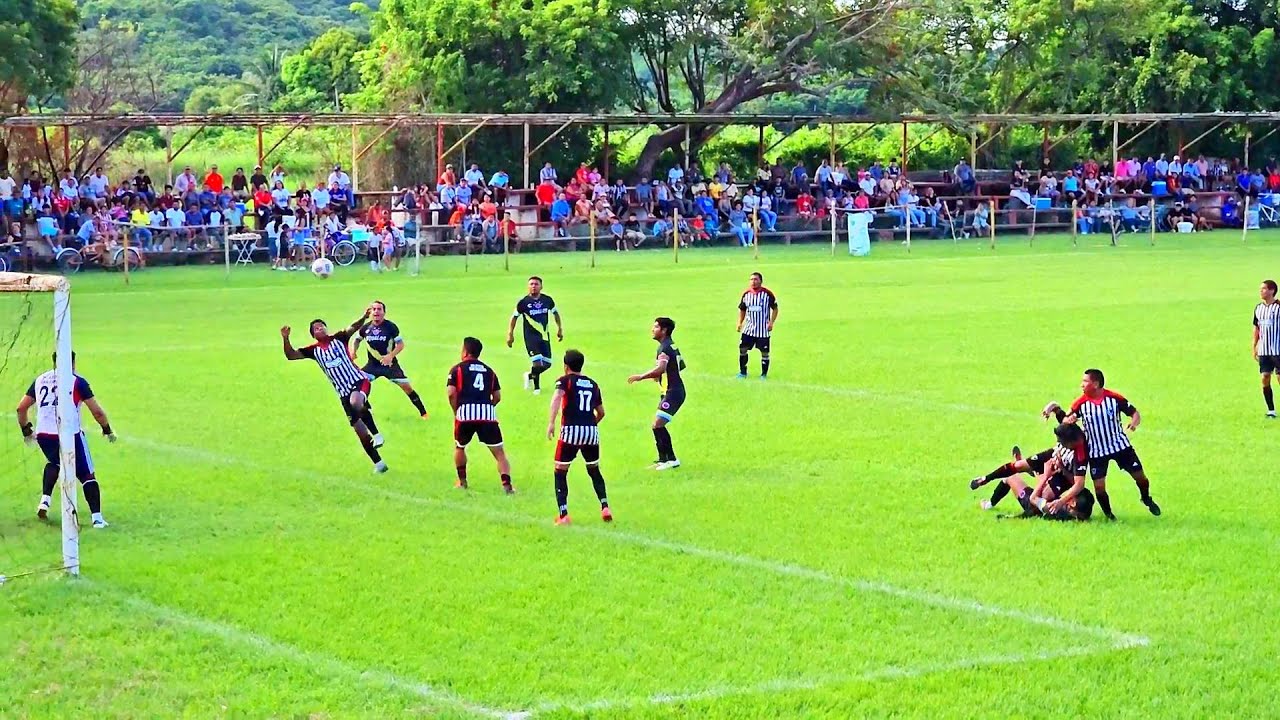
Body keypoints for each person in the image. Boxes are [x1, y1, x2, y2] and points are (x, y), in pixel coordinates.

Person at [1043, 369, 1161, 519]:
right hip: (1096, 451)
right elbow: (1066, 421)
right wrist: (1068, 419)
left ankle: (1146, 498)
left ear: (1096, 384)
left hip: (1120, 446)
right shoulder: (1080, 403)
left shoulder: (1114, 398)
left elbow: (1134, 413)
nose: (1081, 385)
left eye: (1085, 382)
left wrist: (1133, 424)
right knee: (1099, 488)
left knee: (1141, 478)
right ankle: (1109, 515)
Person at [280, 310, 388, 473]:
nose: (320, 329)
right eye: (316, 329)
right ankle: (379, 464)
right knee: (361, 432)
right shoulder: (313, 350)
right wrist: (286, 338)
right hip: (343, 393)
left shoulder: (339, 338)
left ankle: (377, 434)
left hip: (359, 381)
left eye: (321, 326)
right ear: (313, 335)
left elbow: (353, 327)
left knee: (356, 402)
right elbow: (291, 355)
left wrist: (364, 317)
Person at [16, 352, 115, 527]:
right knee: (86, 474)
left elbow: (21, 408)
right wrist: (107, 430)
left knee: (55, 462)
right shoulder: (77, 381)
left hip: (44, 434)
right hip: (69, 434)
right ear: (73, 362)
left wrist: (26, 430)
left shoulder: (40, 379)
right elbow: (97, 412)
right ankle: (97, 518)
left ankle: (45, 500)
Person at [969, 423, 1093, 521]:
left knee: (1011, 478)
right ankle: (988, 479)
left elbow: (1034, 499)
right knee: (1019, 467)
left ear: (1073, 503)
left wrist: (1045, 476)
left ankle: (990, 504)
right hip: (1054, 462)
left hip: (1042, 490)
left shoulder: (1054, 508)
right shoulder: (1066, 511)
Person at [545, 349, 612, 524]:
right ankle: (605, 506)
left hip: (570, 432)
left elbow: (557, 399)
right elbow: (601, 412)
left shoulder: (564, 381)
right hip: (591, 432)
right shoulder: (593, 384)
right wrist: (590, 426)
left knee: (560, 472)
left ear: (565, 366)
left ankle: (563, 515)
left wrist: (551, 422)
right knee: (594, 470)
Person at [446, 337, 513, 493]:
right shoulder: (489, 371)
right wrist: (488, 407)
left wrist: (456, 411)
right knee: (499, 453)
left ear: (465, 351)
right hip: (487, 414)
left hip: (465, 414)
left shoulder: (457, 369)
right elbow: (497, 396)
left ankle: (462, 482)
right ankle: (507, 486)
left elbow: (451, 393)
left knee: (460, 447)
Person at [627, 317, 686, 470]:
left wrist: (641, 377)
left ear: (664, 330)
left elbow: (661, 368)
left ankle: (672, 459)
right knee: (656, 425)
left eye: (656, 327)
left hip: (673, 393)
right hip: (670, 391)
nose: (652, 330)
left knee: (657, 424)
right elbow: (680, 366)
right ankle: (663, 459)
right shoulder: (671, 346)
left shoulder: (664, 348)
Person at [352, 300, 428, 419]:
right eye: (374, 309)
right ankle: (367, 409)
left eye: (379, 309)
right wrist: (353, 351)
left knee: (407, 388)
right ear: (370, 312)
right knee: (357, 384)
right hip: (372, 366)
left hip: (390, 365)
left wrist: (390, 356)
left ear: (384, 312)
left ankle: (423, 413)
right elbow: (357, 340)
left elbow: (400, 345)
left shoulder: (390, 327)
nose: (376, 311)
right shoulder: (365, 328)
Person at [506, 276, 564, 395]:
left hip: (544, 336)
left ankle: (529, 376)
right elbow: (514, 318)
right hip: (530, 338)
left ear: (541, 286)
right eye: (531, 284)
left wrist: (559, 328)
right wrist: (510, 334)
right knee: (537, 362)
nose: (533, 286)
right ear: (528, 286)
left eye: (536, 284)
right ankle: (537, 388)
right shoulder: (523, 303)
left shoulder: (547, 300)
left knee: (547, 363)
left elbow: (555, 313)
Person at [736, 272, 779, 379]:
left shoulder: (767, 294)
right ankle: (743, 372)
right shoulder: (746, 294)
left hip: (762, 330)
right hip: (749, 329)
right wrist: (740, 323)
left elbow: (775, 308)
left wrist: (771, 322)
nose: (753, 282)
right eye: (751, 279)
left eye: (755, 279)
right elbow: (742, 309)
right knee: (742, 349)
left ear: (761, 281)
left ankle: (763, 375)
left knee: (764, 353)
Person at [1253, 279, 1280, 418]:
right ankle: (1271, 410)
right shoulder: (1258, 308)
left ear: (1272, 290)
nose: (1261, 291)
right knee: (1265, 377)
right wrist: (1254, 346)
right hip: (1264, 350)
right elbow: (1256, 328)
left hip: (1278, 350)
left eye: (1263, 289)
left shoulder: (1279, 307)